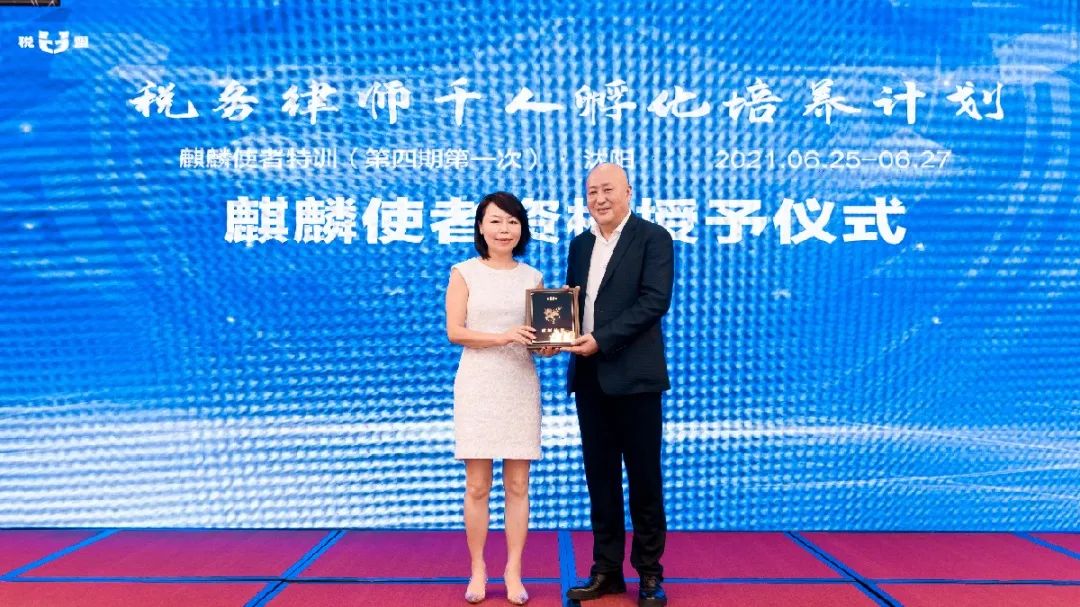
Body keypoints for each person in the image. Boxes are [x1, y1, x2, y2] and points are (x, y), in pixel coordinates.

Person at [562, 164, 675, 607]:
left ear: (628, 191)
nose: (599, 198)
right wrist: (557, 338)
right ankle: (606, 570)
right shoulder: (580, 244)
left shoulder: (653, 238)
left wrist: (602, 340)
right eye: (592, 191)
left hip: (636, 379)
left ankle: (649, 573)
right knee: (601, 480)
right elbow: (571, 304)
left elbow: (654, 301)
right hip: (590, 378)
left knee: (644, 478)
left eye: (607, 189)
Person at [445, 191, 557, 605]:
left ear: (521, 228)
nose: (504, 229)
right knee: (477, 486)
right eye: (495, 221)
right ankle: (478, 567)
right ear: (481, 226)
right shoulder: (464, 272)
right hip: (478, 384)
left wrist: (548, 346)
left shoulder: (532, 277)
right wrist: (503, 336)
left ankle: (513, 570)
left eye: (512, 221)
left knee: (518, 484)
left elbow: (536, 340)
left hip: (519, 384)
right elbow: (455, 332)